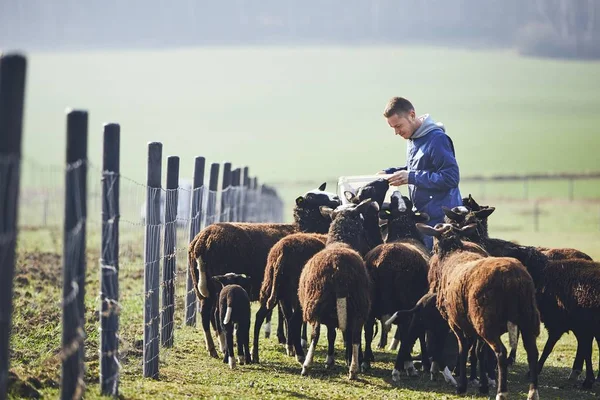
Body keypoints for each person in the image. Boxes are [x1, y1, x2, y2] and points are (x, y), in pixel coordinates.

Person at [377, 96, 462, 250]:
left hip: (442, 223)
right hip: (424, 218)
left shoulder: (437, 139)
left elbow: (451, 177)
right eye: (393, 128)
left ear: (412, 115)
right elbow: (419, 167)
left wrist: (411, 177)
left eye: (398, 126)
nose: (396, 132)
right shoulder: (414, 138)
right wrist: (389, 173)